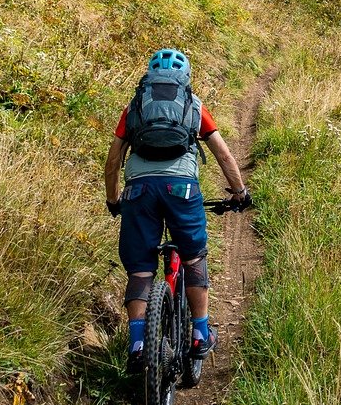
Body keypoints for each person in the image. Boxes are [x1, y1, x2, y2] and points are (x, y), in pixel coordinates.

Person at [104, 48, 252, 376]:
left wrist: (114, 200)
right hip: (181, 190)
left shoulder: (134, 108)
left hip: (139, 191)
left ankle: (139, 345)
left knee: (141, 270)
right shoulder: (195, 105)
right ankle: (200, 333)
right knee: (193, 257)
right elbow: (224, 155)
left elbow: (113, 160)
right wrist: (239, 193)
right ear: (185, 77)